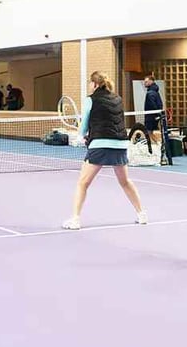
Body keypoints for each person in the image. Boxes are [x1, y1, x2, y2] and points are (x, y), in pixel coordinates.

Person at [62, 71, 147, 230]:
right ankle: (142, 214)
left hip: (100, 145)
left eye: (90, 82)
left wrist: (80, 136)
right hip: (121, 145)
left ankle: (75, 219)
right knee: (125, 182)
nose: (89, 85)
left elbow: (85, 124)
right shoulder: (118, 99)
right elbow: (117, 122)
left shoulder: (90, 100)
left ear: (95, 84)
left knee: (83, 183)